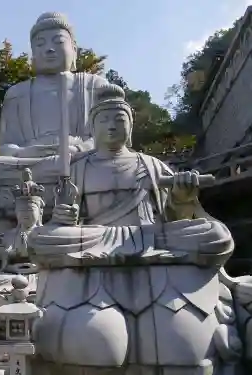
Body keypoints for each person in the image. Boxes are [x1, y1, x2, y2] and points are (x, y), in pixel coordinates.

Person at [27, 83, 237, 375]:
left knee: (216, 235)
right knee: (40, 240)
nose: (112, 126)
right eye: (104, 120)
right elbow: (64, 223)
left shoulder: (151, 165)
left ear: (131, 125)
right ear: (92, 126)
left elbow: (174, 217)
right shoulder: (78, 168)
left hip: (150, 235)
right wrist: (63, 218)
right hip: (96, 238)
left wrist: (182, 196)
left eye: (119, 119)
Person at [0, 12, 110, 174]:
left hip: (80, 156)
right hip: (30, 160)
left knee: (114, 160)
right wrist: (26, 152)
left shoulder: (94, 85)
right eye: (40, 44)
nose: (49, 49)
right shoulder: (17, 93)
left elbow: (109, 136)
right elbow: (6, 147)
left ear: (74, 49)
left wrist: (77, 149)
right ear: (33, 53)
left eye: (58, 41)